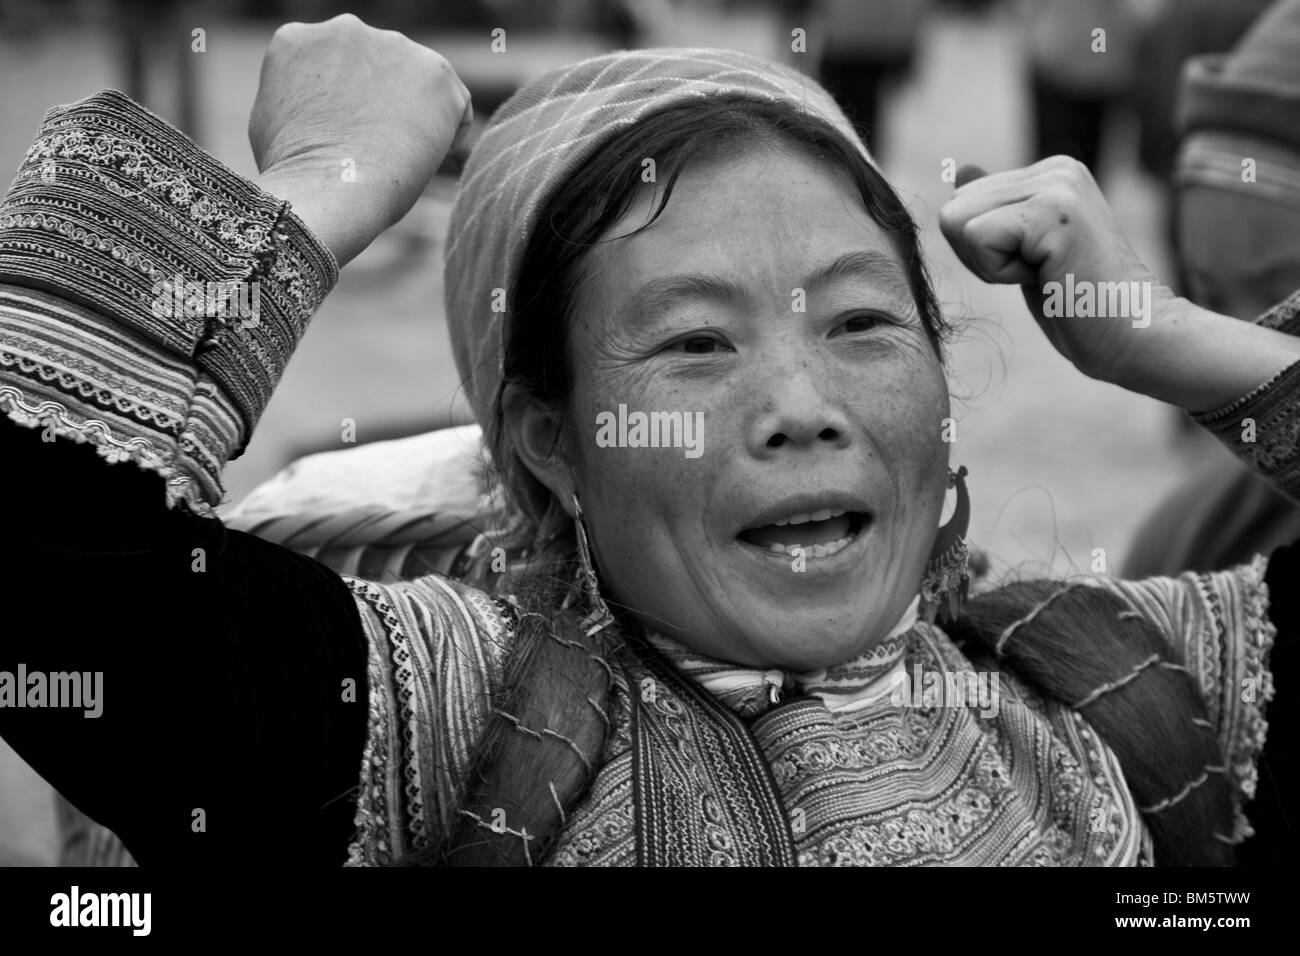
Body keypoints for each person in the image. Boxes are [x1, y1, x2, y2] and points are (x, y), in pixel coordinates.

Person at [0, 16, 1296, 867]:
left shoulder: (1123, 691)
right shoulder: (448, 727)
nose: (805, 405)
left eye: (860, 323)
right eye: (694, 344)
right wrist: (321, 184)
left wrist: (1167, 335)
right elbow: (48, 565)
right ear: (553, 441)